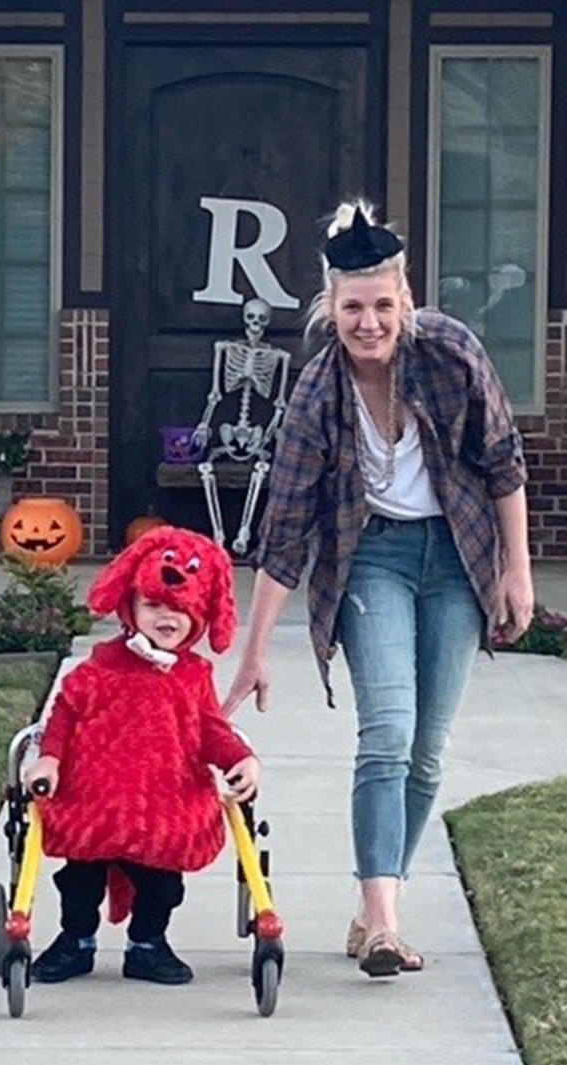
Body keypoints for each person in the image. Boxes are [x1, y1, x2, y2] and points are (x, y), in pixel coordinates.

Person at [223, 201, 534, 978]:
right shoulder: (318, 394)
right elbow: (285, 530)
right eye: (354, 307)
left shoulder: (451, 353)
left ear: (407, 300)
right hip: (373, 562)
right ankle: (389, 921)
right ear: (331, 307)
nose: (370, 323)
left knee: (428, 752)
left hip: (456, 559)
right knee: (388, 734)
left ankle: (370, 912)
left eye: (384, 306)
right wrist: (254, 651)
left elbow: (503, 461)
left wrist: (516, 570)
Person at [24, 527, 260, 986]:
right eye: (154, 605)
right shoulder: (101, 667)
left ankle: (148, 944)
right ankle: (76, 941)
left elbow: (212, 731)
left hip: (164, 804)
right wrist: (50, 759)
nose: (166, 617)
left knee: (162, 885)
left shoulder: (193, 676)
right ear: (130, 606)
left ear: (202, 617)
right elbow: (65, 716)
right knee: (79, 881)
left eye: (180, 610)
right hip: (97, 799)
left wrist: (240, 758)